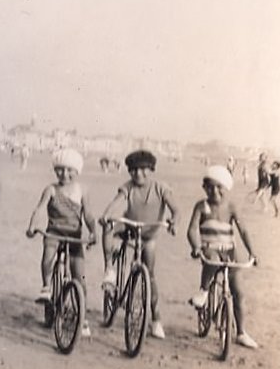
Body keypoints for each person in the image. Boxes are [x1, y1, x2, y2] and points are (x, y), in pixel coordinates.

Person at [100, 149, 178, 339]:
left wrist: (174, 220)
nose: (138, 174)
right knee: (108, 227)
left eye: (143, 170)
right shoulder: (128, 187)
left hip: (149, 234)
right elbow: (116, 202)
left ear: (151, 170)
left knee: (149, 276)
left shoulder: (160, 187)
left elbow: (175, 208)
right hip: (129, 227)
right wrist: (106, 215)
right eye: (133, 170)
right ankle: (110, 269)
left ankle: (156, 319)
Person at [25, 148, 97, 337]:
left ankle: (83, 318)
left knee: (80, 278)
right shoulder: (51, 189)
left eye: (69, 170)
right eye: (60, 170)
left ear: (77, 171)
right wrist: (32, 226)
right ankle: (46, 287)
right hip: (55, 232)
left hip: (74, 236)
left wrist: (93, 231)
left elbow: (88, 214)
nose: (64, 174)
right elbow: (40, 209)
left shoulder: (82, 190)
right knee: (48, 256)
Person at [186, 165, 258, 349]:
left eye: (219, 187)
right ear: (204, 188)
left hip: (229, 250)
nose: (215, 191)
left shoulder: (231, 206)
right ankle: (203, 291)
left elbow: (243, 229)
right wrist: (196, 247)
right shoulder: (201, 206)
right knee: (212, 258)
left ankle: (241, 332)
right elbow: (192, 229)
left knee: (238, 292)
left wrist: (252, 252)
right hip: (210, 249)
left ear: (226, 188)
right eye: (210, 187)